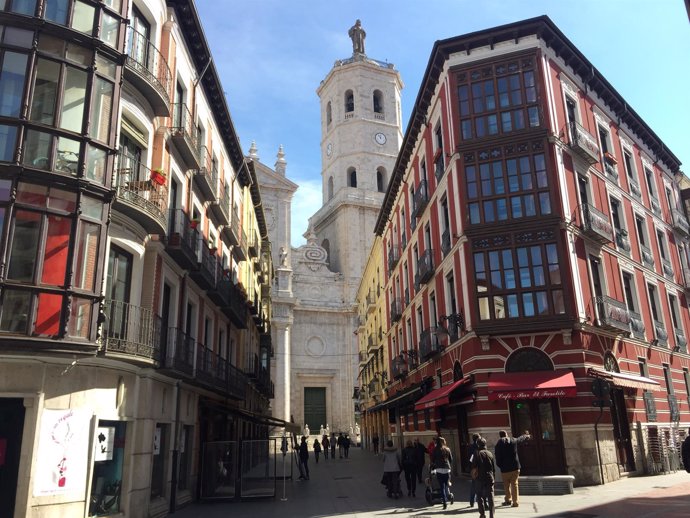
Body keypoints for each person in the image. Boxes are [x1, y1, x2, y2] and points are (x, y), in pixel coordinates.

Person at [494, 430, 530, 508]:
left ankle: (508, 499)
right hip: (515, 467)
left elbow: (497, 457)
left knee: (506, 485)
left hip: (505, 468)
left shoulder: (498, 444)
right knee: (514, 484)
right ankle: (515, 502)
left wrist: (500, 465)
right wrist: (526, 436)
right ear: (506, 434)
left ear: (500, 436)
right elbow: (520, 439)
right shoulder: (513, 440)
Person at [471, 437, 495, 518]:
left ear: (478, 444)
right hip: (489, 477)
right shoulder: (490, 453)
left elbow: (473, 465)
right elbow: (493, 468)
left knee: (479, 495)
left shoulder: (476, 453)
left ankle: (482, 514)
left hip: (479, 478)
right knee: (490, 497)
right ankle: (491, 515)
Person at [430, 436, 453, 510]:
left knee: (442, 486)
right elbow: (451, 459)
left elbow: (433, 459)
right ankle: (448, 495)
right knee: (446, 485)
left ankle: (444, 502)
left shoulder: (435, 449)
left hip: (439, 469)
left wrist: (434, 464)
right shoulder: (447, 449)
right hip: (447, 468)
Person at [468, 433, 481, 507]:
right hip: (480, 468)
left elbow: (470, 459)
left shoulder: (470, 447)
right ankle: (483, 501)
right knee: (482, 485)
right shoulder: (480, 446)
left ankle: (472, 501)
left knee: (473, 485)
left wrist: (471, 467)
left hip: (473, 468)